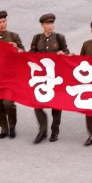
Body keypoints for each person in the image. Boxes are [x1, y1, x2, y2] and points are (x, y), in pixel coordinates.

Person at [28, 13, 68, 143]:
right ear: (42, 25)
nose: (50, 26)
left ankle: (55, 131)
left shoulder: (59, 37)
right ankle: (42, 131)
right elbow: (31, 53)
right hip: (42, 77)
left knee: (56, 105)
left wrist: (64, 53)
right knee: (38, 105)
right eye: (47, 24)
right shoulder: (37, 38)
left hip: (55, 76)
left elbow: (66, 51)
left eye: (51, 23)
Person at [0, 11, 24, 139]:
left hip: (10, 77)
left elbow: (23, 54)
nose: (3, 24)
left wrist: (16, 48)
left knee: (8, 103)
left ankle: (12, 126)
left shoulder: (13, 36)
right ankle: (3, 127)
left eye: (4, 21)